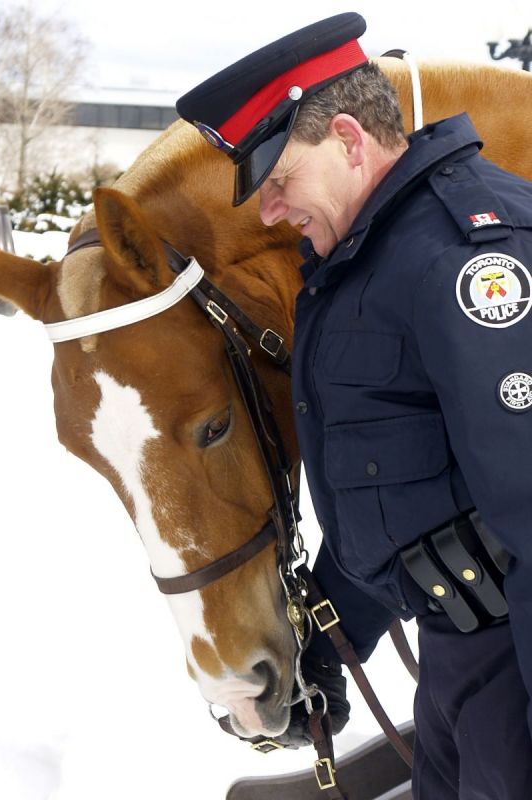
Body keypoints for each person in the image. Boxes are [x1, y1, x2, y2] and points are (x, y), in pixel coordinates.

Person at [176, 12, 532, 799]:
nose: (270, 213)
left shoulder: (468, 256)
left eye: (278, 183)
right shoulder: (361, 265)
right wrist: (331, 647)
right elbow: (395, 488)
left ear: (347, 137)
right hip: (454, 661)